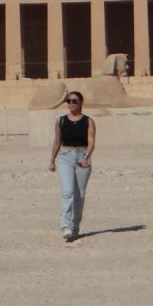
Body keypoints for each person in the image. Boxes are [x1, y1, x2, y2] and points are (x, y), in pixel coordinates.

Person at [50, 91, 96, 241]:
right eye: (68, 101)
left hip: (82, 156)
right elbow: (57, 141)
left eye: (74, 101)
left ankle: (75, 226)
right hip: (65, 157)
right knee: (68, 192)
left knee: (79, 195)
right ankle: (66, 226)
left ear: (81, 102)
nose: (71, 103)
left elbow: (91, 143)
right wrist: (52, 160)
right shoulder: (61, 121)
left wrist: (85, 158)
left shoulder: (88, 121)